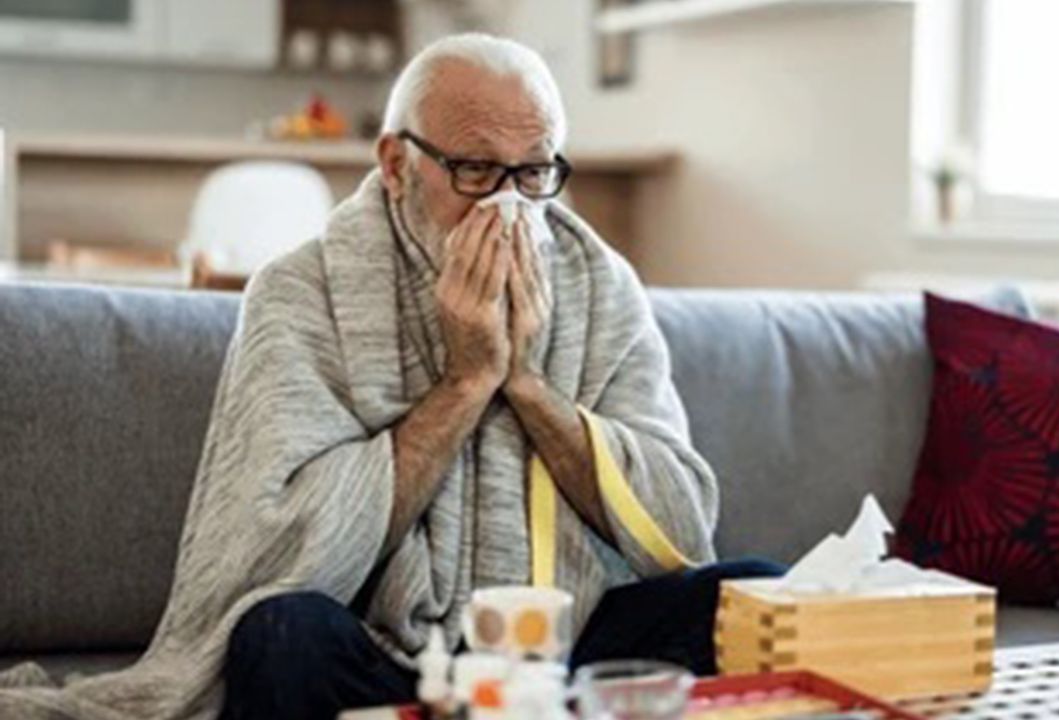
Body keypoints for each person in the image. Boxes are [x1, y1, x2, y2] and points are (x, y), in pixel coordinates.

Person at [0, 33, 783, 720]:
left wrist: (525, 384)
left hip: (567, 644)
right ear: (396, 163)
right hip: (384, 649)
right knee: (279, 634)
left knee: (752, 595)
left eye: (533, 172)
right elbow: (278, 545)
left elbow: (680, 523)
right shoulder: (301, 292)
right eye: (475, 169)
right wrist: (466, 384)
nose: (508, 206)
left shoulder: (600, 285)